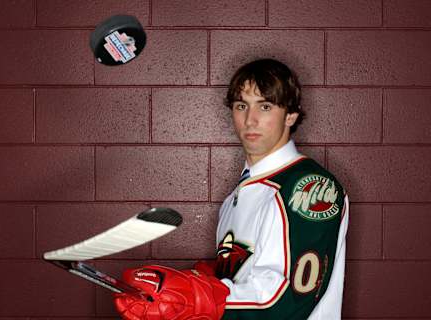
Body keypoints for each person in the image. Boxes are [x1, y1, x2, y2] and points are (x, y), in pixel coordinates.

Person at [113, 58, 349, 320]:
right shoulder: (236, 197)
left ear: (290, 115)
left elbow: (286, 301)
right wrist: (184, 284)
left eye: (266, 106)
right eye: (241, 106)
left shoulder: (309, 187)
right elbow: (247, 273)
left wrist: (195, 297)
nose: (250, 120)